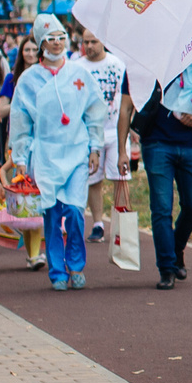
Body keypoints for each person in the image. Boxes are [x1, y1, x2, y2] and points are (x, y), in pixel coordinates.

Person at [4, 16, 109, 291]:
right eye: (50, 39)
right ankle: (57, 271)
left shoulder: (79, 74)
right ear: (41, 43)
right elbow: (20, 121)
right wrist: (20, 159)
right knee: (51, 214)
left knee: (74, 211)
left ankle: (76, 266)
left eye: (61, 37)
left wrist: (95, 147)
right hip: (46, 155)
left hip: (76, 151)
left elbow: (95, 112)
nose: (57, 43)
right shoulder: (29, 80)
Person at [136, 44, 192, 288]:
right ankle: (166, 268)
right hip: (157, 143)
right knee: (162, 208)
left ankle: (176, 248)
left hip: (189, 144)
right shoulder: (154, 58)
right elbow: (131, 97)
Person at [75, 29, 131, 246]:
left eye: (93, 42)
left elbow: (127, 98)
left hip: (116, 129)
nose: (89, 46)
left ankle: (121, 225)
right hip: (90, 132)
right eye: (85, 42)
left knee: (120, 178)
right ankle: (98, 223)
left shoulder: (117, 64)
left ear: (102, 42)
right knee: (93, 179)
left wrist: (130, 129)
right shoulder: (77, 67)